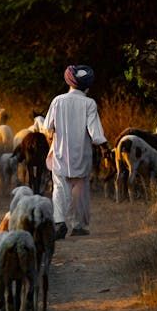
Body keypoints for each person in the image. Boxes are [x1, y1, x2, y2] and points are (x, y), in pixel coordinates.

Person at [42, 65, 109, 239]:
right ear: (87, 86)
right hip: (81, 156)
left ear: (69, 82)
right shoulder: (89, 103)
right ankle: (78, 226)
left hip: (60, 154)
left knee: (59, 189)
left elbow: (46, 126)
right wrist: (104, 147)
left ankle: (59, 222)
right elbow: (95, 134)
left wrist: (52, 135)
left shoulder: (58, 101)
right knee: (80, 192)